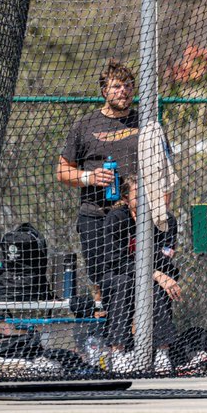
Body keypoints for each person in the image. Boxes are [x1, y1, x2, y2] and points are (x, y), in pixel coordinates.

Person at [56, 60, 140, 295]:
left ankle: (136, 329)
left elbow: (162, 169)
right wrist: (89, 178)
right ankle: (103, 325)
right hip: (95, 214)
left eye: (127, 85)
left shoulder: (145, 124)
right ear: (104, 91)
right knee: (101, 280)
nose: (123, 91)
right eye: (116, 87)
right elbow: (62, 171)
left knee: (132, 277)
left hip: (132, 215)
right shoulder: (85, 125)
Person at [98, 179, 181, 374]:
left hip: (155, 276)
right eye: (138, 193)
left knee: (157, 288)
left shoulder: (165, 220)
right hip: (119, 273)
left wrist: (159, 276)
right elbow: (115, 260)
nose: (145, 197)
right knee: (124, 283)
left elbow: (164, 257)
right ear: (126, 198)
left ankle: (162, 353)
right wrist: (154, 274)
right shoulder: (117, 218)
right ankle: (118, 353)